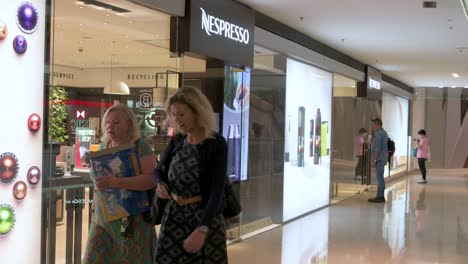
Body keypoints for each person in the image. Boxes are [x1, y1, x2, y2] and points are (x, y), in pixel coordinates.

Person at [153, 87, 228, 264]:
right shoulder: (178, 140)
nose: (176, 120)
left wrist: (202, 229)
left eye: (181, 114)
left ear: (197, 112)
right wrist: (159, 184)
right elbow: (158, 171)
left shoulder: (216, 143)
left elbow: (217, 191)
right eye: (173, 115)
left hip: (204, 217)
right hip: (174, 216)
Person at [83, 104, 157, 263]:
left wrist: (118, 182)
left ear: (129, 125)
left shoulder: (140, 146)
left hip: (131, 220)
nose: (110, 126)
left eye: (116, 122)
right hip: (103, 218)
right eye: (108, 122)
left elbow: (151, 180)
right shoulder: (104, 146)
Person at [369, 118, 389, 203]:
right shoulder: (383, 133)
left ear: (377, 125)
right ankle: (380, 195)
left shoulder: (379, 134)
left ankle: (380, 196)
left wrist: (374, 160)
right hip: (382, 158)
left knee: (379, 177)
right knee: (380, 177)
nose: (372, 127)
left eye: (373, 125)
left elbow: (377, 149)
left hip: (379, 159)